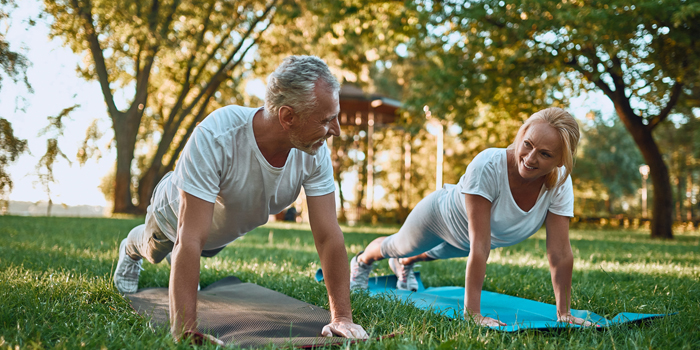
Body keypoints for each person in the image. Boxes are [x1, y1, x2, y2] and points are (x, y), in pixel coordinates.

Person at [113, 55, 368, 343]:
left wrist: (342, 318)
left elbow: (328, 235)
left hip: (219, 231)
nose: (336, 130)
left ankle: (180, 262)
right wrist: (185, 330)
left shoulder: (313, 150)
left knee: (203, 248)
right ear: (287, 117)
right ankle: (130, 249)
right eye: (326, 120)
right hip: (173, 216)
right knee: (156, 248)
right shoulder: (217, 136)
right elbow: (189, 238)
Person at [349, 107, 593, 327]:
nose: (530, 158)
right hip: (440, 218)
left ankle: (405, 265)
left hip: (467, 242)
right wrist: (473, 313)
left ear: (561, 159)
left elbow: (559, 252)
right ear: (520, 136)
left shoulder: (559, 182)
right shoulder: (489, 164)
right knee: (398, 246)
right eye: (527, 144)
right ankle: (362, 262)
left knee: (423, 255)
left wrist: (564, 313)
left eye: (545, 154)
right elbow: (480, 244)